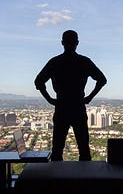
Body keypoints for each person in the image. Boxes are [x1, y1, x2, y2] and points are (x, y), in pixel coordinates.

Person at [34, 30, 107, 161]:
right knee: (84, 149)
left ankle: (57, 179)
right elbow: (102, 80)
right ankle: (84, 178)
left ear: (62, 43)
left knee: (57, 149)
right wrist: (89, 97)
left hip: (61, 107)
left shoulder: (55, 62)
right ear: (77, 43)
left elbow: (38, 81)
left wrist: (50, 99)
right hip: (78, 106)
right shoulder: (84, 61)